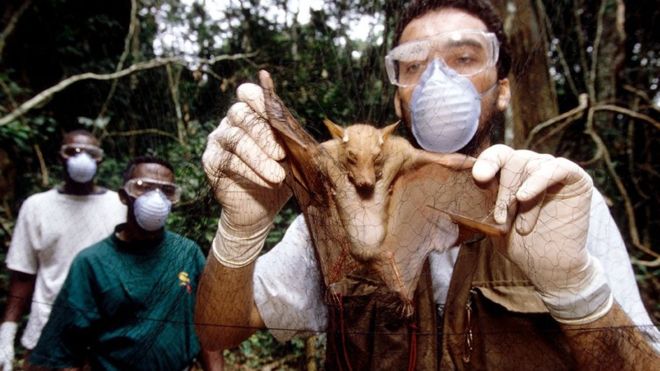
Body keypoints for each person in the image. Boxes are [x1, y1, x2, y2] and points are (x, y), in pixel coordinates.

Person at [195, 0, 659, 369]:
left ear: (502, 87)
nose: (438, 79)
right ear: (399, 99)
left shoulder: (557, 203)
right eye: (413, 65)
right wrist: (241, 229)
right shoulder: (338, 207)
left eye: (464, 57)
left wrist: (578, 294)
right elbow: (219, 332)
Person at [29, 156, 223, 370]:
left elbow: (208, 328)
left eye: (166, 190)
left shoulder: (187, 253)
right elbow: (63, 348)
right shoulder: (93, 262)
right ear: (123, 196)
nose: (155, 197)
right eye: (143, 187)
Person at [0, 130, 126, 370]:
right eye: (73, 151)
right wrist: (7, 331)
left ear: (100, 160)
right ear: (60, 157)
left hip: (104, 336)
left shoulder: (118, 206)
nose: (81, 157)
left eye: (91, 153)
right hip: (46, 333)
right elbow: (23, 274)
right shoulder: (36, 206)